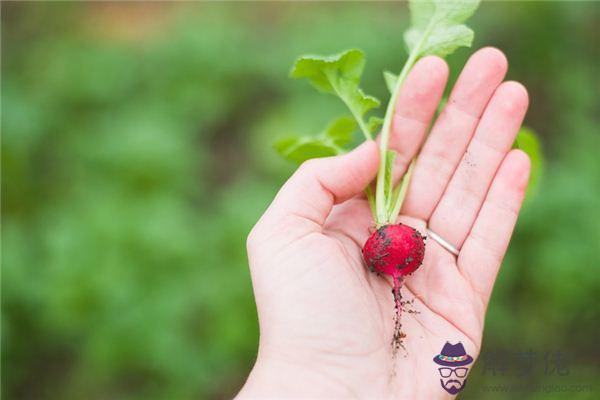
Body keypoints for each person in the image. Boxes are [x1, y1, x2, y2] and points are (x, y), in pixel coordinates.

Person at [237, 48, 530, 399]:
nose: (397, 284)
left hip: (393, 243)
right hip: (392, 243)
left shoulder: (393, 249)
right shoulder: (391, 250)